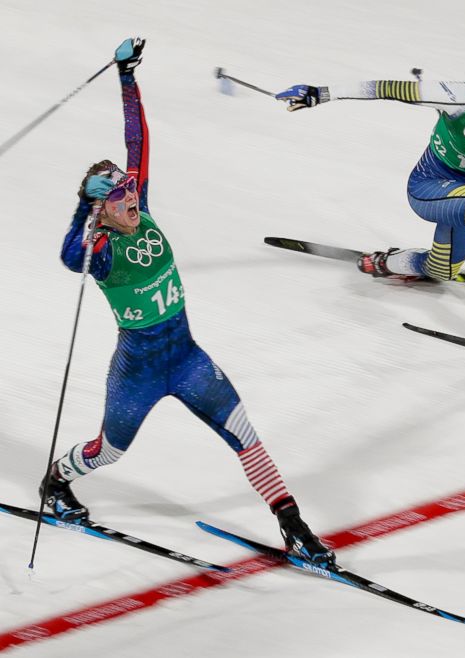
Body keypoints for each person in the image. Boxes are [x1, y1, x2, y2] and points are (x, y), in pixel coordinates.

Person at [41, 38, 335, 566]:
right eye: (117, 198)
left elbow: (138, 139)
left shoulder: (142, 207)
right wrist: (80, 208)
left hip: (186, 357)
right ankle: (55, 481)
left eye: (130, 190)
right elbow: (68, 259)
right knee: (110, 449)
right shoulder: (100, 250)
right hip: (138, 371)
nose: (130, 199)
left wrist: (127, 76)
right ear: (99, 211)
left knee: (244, 433)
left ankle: (294, 527)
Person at [275, 63, 465, 355]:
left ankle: (389, 262)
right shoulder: (463, 97)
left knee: (442, 270)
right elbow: (388, 89)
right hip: (428, 188)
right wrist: (322, 93)